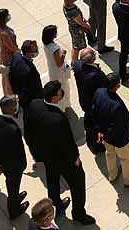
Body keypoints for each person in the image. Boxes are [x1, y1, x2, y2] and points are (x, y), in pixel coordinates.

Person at [29, 80, 96, 224]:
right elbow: (67, 142)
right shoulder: (58, 118)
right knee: (78, 184)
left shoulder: (35, 104)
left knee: (53, 181)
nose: (61, 93)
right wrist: (75, 158)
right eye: (60, 92)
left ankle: (56, 206)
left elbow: (28, 131)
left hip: (47, 157)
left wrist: (37, 153)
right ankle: (79, 214)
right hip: (64, 160)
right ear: (54, 97)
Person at [92, 73, 129, 189]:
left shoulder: (98, 92)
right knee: (125, 159)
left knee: (110, 154)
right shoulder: (118, 107)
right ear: (117, 86)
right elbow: (120, 127)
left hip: (105, 135)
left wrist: (100, 131)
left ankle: (113, 175)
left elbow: (95, 112)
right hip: (118, 139)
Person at [0, 95, 30, 219]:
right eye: (15, 104)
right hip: (13, 167)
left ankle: (16, 198)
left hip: (4, 164)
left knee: (12, 186)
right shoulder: (13, 129)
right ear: (11, 109)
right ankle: (14, 210)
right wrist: (23, 165)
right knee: (12, 187)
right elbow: (18, 152)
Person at [72, 48, 106, 154]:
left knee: (89, 122)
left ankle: (90, 141)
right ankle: (96, 146)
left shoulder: (77, 65)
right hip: (93, 105)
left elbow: (75, 61)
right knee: (95, 126)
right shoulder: (95, 76)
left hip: (84, 100)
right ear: (92, 59)